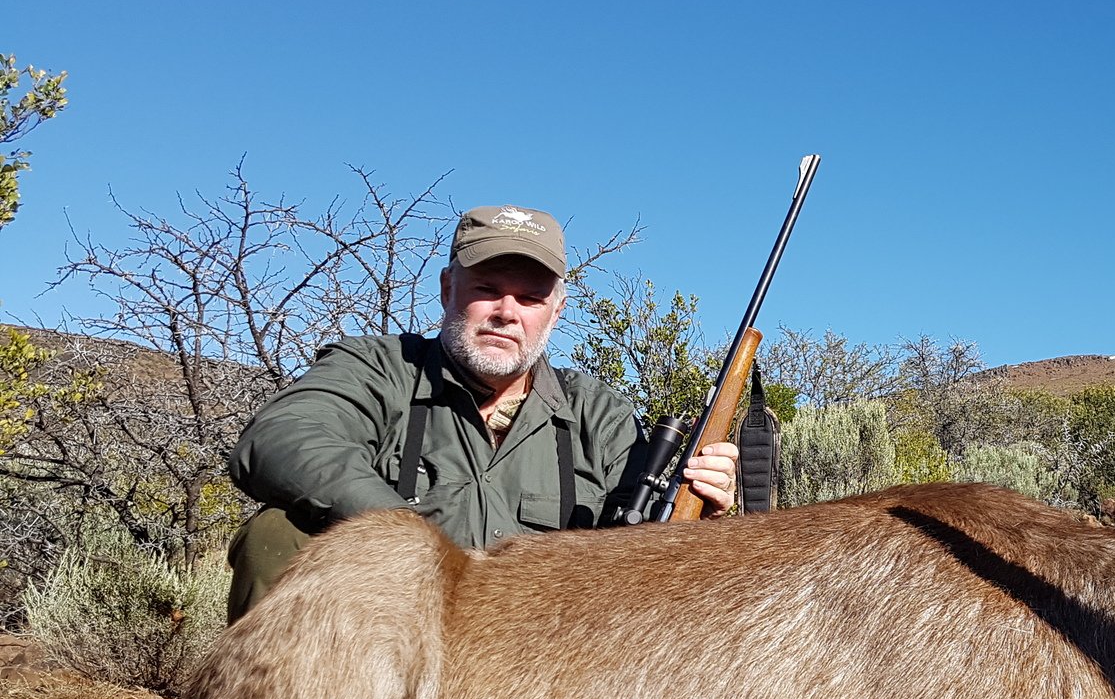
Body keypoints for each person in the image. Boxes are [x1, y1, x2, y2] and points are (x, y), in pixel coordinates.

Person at [224, 204, 738, 620]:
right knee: (277, 535)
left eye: (530, 298)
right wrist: (413, 544)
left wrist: (701, 523)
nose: (506, 312)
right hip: (393, 624)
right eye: (487, 289)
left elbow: (636, 559)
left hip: (534, 653)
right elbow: (279, 438)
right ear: (449, 289)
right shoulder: (378, 367)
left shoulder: (599, 413)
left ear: (555, 312)